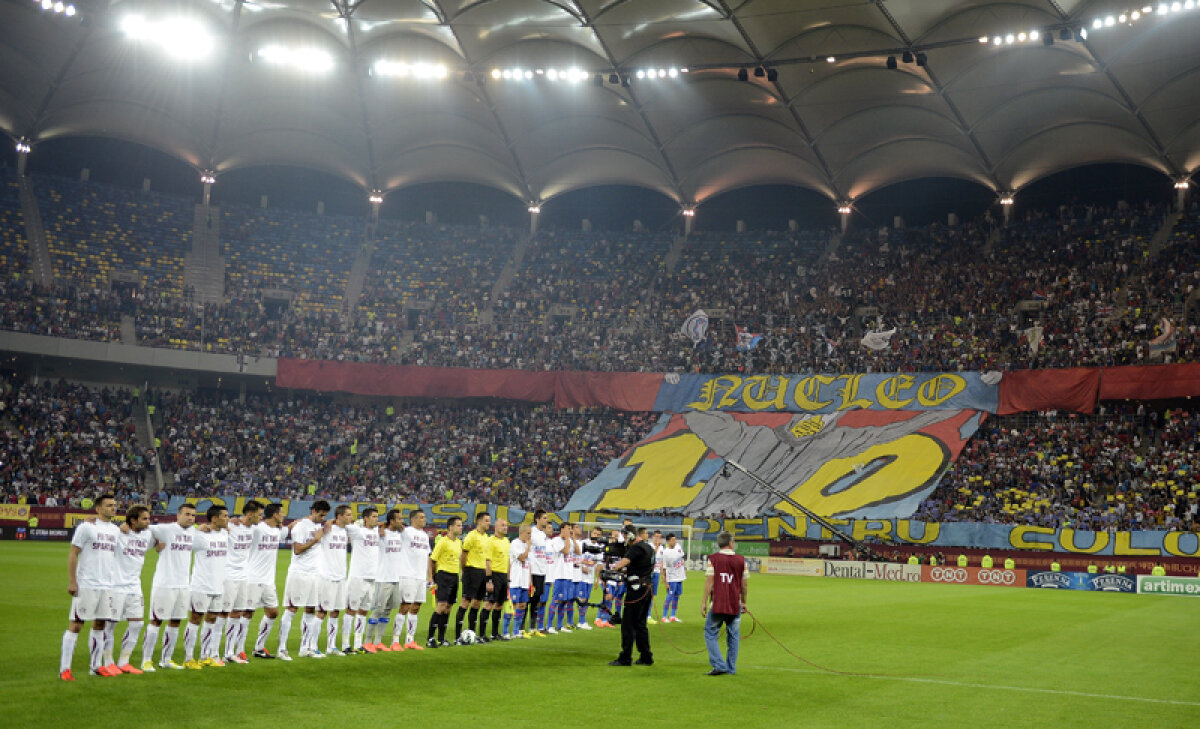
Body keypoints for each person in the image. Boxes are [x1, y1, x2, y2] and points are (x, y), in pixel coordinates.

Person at [60, 493, 121, 680]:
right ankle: (65, 669)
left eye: (114, 505)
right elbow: (73, 553)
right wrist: (72, 580)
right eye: (109, 505)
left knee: (100, 625)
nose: (113, 508)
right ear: (98, 508)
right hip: (87, 583)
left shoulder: (115, 530)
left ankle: (96, 666)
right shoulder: (86, 527)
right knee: (77, 625)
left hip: (107, 585)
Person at [144, 502, 196, 671]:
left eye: (193, 515)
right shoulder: (166, 529)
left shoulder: (193, 532)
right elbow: (144, 527)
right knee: (156, 620)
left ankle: (166, 659)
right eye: (187, 514)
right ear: (178, 515)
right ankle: (146, 660)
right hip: (164, 583)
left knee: (175, 621)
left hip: (183, 584)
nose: (190, 518)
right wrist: (155, 544)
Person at [280, 500, 330, 661]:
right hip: (299, 574)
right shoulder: (301, 526)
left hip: (315, 574)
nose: (322, 518)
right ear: (313, 511)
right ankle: (282, 648)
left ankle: (305, 648)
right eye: (320, 514)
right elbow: (297, 549)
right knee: (292, 609)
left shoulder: (319, 527)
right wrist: (315, 540)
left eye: (325, 515)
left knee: (310, 610)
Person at [108, 505, 155, 674]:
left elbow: (164, 534)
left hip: (135, 587)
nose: (148, 522)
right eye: (145, 519)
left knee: (137, 624)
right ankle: (107, 661)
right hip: (116, 586)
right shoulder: (118, 533)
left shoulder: (148, 533)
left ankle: (123, 661)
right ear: (133, 520)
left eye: (149, 518)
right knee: (110, 625)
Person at [183, 505, 230, 669]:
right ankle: (188, 658)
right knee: (195, 619)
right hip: (201, 586)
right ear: (214, 518)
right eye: (224, 516)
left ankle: (205, 656)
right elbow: (182, 533)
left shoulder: (225, 534)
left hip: (218, 585)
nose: (227, 518)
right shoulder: (200, 535)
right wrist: (196, 527)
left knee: (211, 620)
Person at [702, 531, 748, 676]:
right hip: (735, 604)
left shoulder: (713, 559)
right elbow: (744, 584)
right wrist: (744, 602)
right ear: (731, 543)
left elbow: (709, 582)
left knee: (710, 633)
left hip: (718, 604)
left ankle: (719, 665)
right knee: (733, 637)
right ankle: (731, 668)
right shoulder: (741, 560)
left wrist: (703, 601)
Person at [247, 502, 289, 659]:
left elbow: (287, 529)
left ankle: (259, 648)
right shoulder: (257, 529)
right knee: (246, 614)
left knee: (273, 612)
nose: (284, 515)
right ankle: (237, 650)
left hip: (268, 580)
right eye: (282, 512)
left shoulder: (277, 531)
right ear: (275, 515)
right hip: (253, 578)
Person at [608, 527, 654, 667]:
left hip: (636, 591)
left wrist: (612, 568)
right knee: (641, 625)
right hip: (647, 589)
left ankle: (625, 657)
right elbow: (639, 566)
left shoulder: (635, 548)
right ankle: (646, 656)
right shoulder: (649, 547)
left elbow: (622, 563)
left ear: (630, 535)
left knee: (628, 625)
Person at [221, 500, 259, 664]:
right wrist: (229, 521)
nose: (261, 517)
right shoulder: (232, 526)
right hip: (228, 575)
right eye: (259, 514)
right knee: (222, 614)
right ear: (250, 514)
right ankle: (213, 652)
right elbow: (209, 526)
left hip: (244, 576)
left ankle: (230, 652)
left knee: (237, 613)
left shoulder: (255, 529)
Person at [343, 507, 380, 653]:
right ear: (366, 518)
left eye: (377, 517)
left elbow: (383, 526)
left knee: (363, 611)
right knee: (351, 610)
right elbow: (341, 524)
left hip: (372, 577)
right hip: (358, 576)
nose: (376, 519)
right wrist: (352, 522)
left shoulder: (377, 531)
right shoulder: (357, 531)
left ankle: (358, 644)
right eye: (374, 517)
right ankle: (346, 645)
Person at [316, 505, 351, 656]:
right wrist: (328, 522)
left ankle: (331, 646)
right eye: (348, 515)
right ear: (340, 516)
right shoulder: (327, 529)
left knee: (335, 612)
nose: (351, 517)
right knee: (322, 611)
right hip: (326, 576)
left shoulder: (346, 530)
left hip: (341, 576)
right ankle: (312, 645)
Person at [368, 509, 404, 652]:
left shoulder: (400, 534)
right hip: (383, 578)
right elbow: (370, 528)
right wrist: (381, 526)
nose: (402, 521)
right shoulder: (381, 534)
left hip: (396, 578)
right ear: (392, 521)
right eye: (399, 519)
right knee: (378, 610)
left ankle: (378, 641)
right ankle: (367, 641)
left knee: (388, 611)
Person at [395, 509, 431, 650]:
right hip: (407, 574)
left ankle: (410, 640)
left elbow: (427, 556)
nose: (424, 519)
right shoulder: (406, 532)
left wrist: (430, 576)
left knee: (416, 607)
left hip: (421, 577)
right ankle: (395, 640)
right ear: (413, 519)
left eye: (424, 517)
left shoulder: (424, 535)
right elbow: (395, 526)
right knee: (405, 606)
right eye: (421, 517)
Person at [427, 516, 463, 647]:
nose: (461, 527)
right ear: (451, 527)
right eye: (458, 525)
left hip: (454, 576)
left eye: (461, 525)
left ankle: (441, 638)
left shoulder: (459, 542)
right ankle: (430, 638)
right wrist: (431, 577)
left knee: (448, 608)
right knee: (441, 606)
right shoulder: (443, 541)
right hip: (443, 575)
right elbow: (432, 559)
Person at [456, 514, 492, 643]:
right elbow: (463, 555)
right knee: (465, 602)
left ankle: (472, 633)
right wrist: (465, 571)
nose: (489, 523)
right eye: (487, 521)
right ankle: (457, 636)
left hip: (482, 572)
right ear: (480, 522)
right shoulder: (471, 536)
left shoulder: (486, 537)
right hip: (471, 571)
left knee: (477, 603)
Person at [483, 518, 510, 641]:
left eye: (506, 525)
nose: (505, 527)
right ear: (496, 527)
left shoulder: (506, 541)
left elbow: (508, 561)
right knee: (489, 603)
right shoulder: (490, 541)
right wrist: (489, 580)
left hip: (504, 576)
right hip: (494, 575)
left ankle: (494, 634)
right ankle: (482, 634)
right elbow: (487, 561)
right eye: (502, 525)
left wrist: (508, 579)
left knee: (499, 604)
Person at [506, 524, 533, 639]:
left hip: (524, 581)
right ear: (521, 533)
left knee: (522, 605)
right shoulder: (515, 543)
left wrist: (530, 582)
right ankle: (506, 631)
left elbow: (528, 564)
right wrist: (528, 547)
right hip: (515, 580)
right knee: (512, 606)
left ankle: (516, 631)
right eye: (528, 533)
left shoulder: (527, 546)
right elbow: (522, 558)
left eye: (530, 533)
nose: (530, 536)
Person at [526, 509, 550, 636]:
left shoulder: (542, 534)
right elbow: (528, 550)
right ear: (537, 519)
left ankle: (532, 627)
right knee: (529, 598)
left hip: (541, 571)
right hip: (533, 571)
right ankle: (521, 627)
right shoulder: (532, 532)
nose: (547, 520)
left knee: (537, 599)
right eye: (545, 518)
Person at [661, 533, 687, 623]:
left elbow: (682, 558)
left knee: (677, 596)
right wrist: (665, 581)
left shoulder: (678, 547)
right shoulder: (665, 552)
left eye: (675, 539)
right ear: (668, 541)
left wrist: (684, 569)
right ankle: (664, 617)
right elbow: (664, 568)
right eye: (672, 540)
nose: (674, 541)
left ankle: (673, 616)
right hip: (671, 578)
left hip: (680, 577)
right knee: (669, 596)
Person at [649, 530, 664, 624]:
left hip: (657, 572)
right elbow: (652, 555)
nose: (658, 538)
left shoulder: (662, 548)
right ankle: (646, 615)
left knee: (652, 595)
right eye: (656, 536)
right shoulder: (649, 546)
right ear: (653, 537)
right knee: (646, 594)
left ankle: (648, 615)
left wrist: (663, 574)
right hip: (649, 573)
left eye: (660, 537)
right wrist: (657, 546)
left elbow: (662, 561)